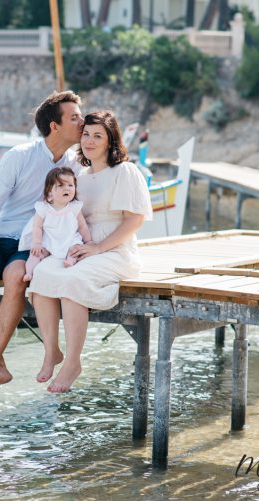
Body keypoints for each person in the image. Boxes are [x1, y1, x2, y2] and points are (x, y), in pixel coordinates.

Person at [0, 91, 85, 391]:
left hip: (30, 245)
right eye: (74, 117)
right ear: (54, 127)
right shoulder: (19, 156)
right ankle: (0, 366)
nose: (81, 122)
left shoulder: (76, 165)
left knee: (16, 279)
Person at [28, 110, 153, 393]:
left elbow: (135, 220)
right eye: (86, 134)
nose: (90, 140)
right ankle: (52, 351)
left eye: (98, 136)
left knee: (73, 281)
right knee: (41, 276)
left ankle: (73, 362)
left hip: (115, 250)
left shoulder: (125, 171)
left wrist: (97, 248)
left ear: (111, 141)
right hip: (80, 248)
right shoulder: (78, 176)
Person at [19, 167, 92, 282]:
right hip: (49, 239)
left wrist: (88, 241)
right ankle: (29, 272)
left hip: (69, 238)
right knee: (35, 254)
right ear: (49, 192)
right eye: (61, 186)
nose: (66, 189)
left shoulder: (74, 207)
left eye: (70, 185)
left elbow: (82, 226)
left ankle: (70, 261)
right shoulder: (43, 208)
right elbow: (37, 227)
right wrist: (37, 243)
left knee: (75, 249)